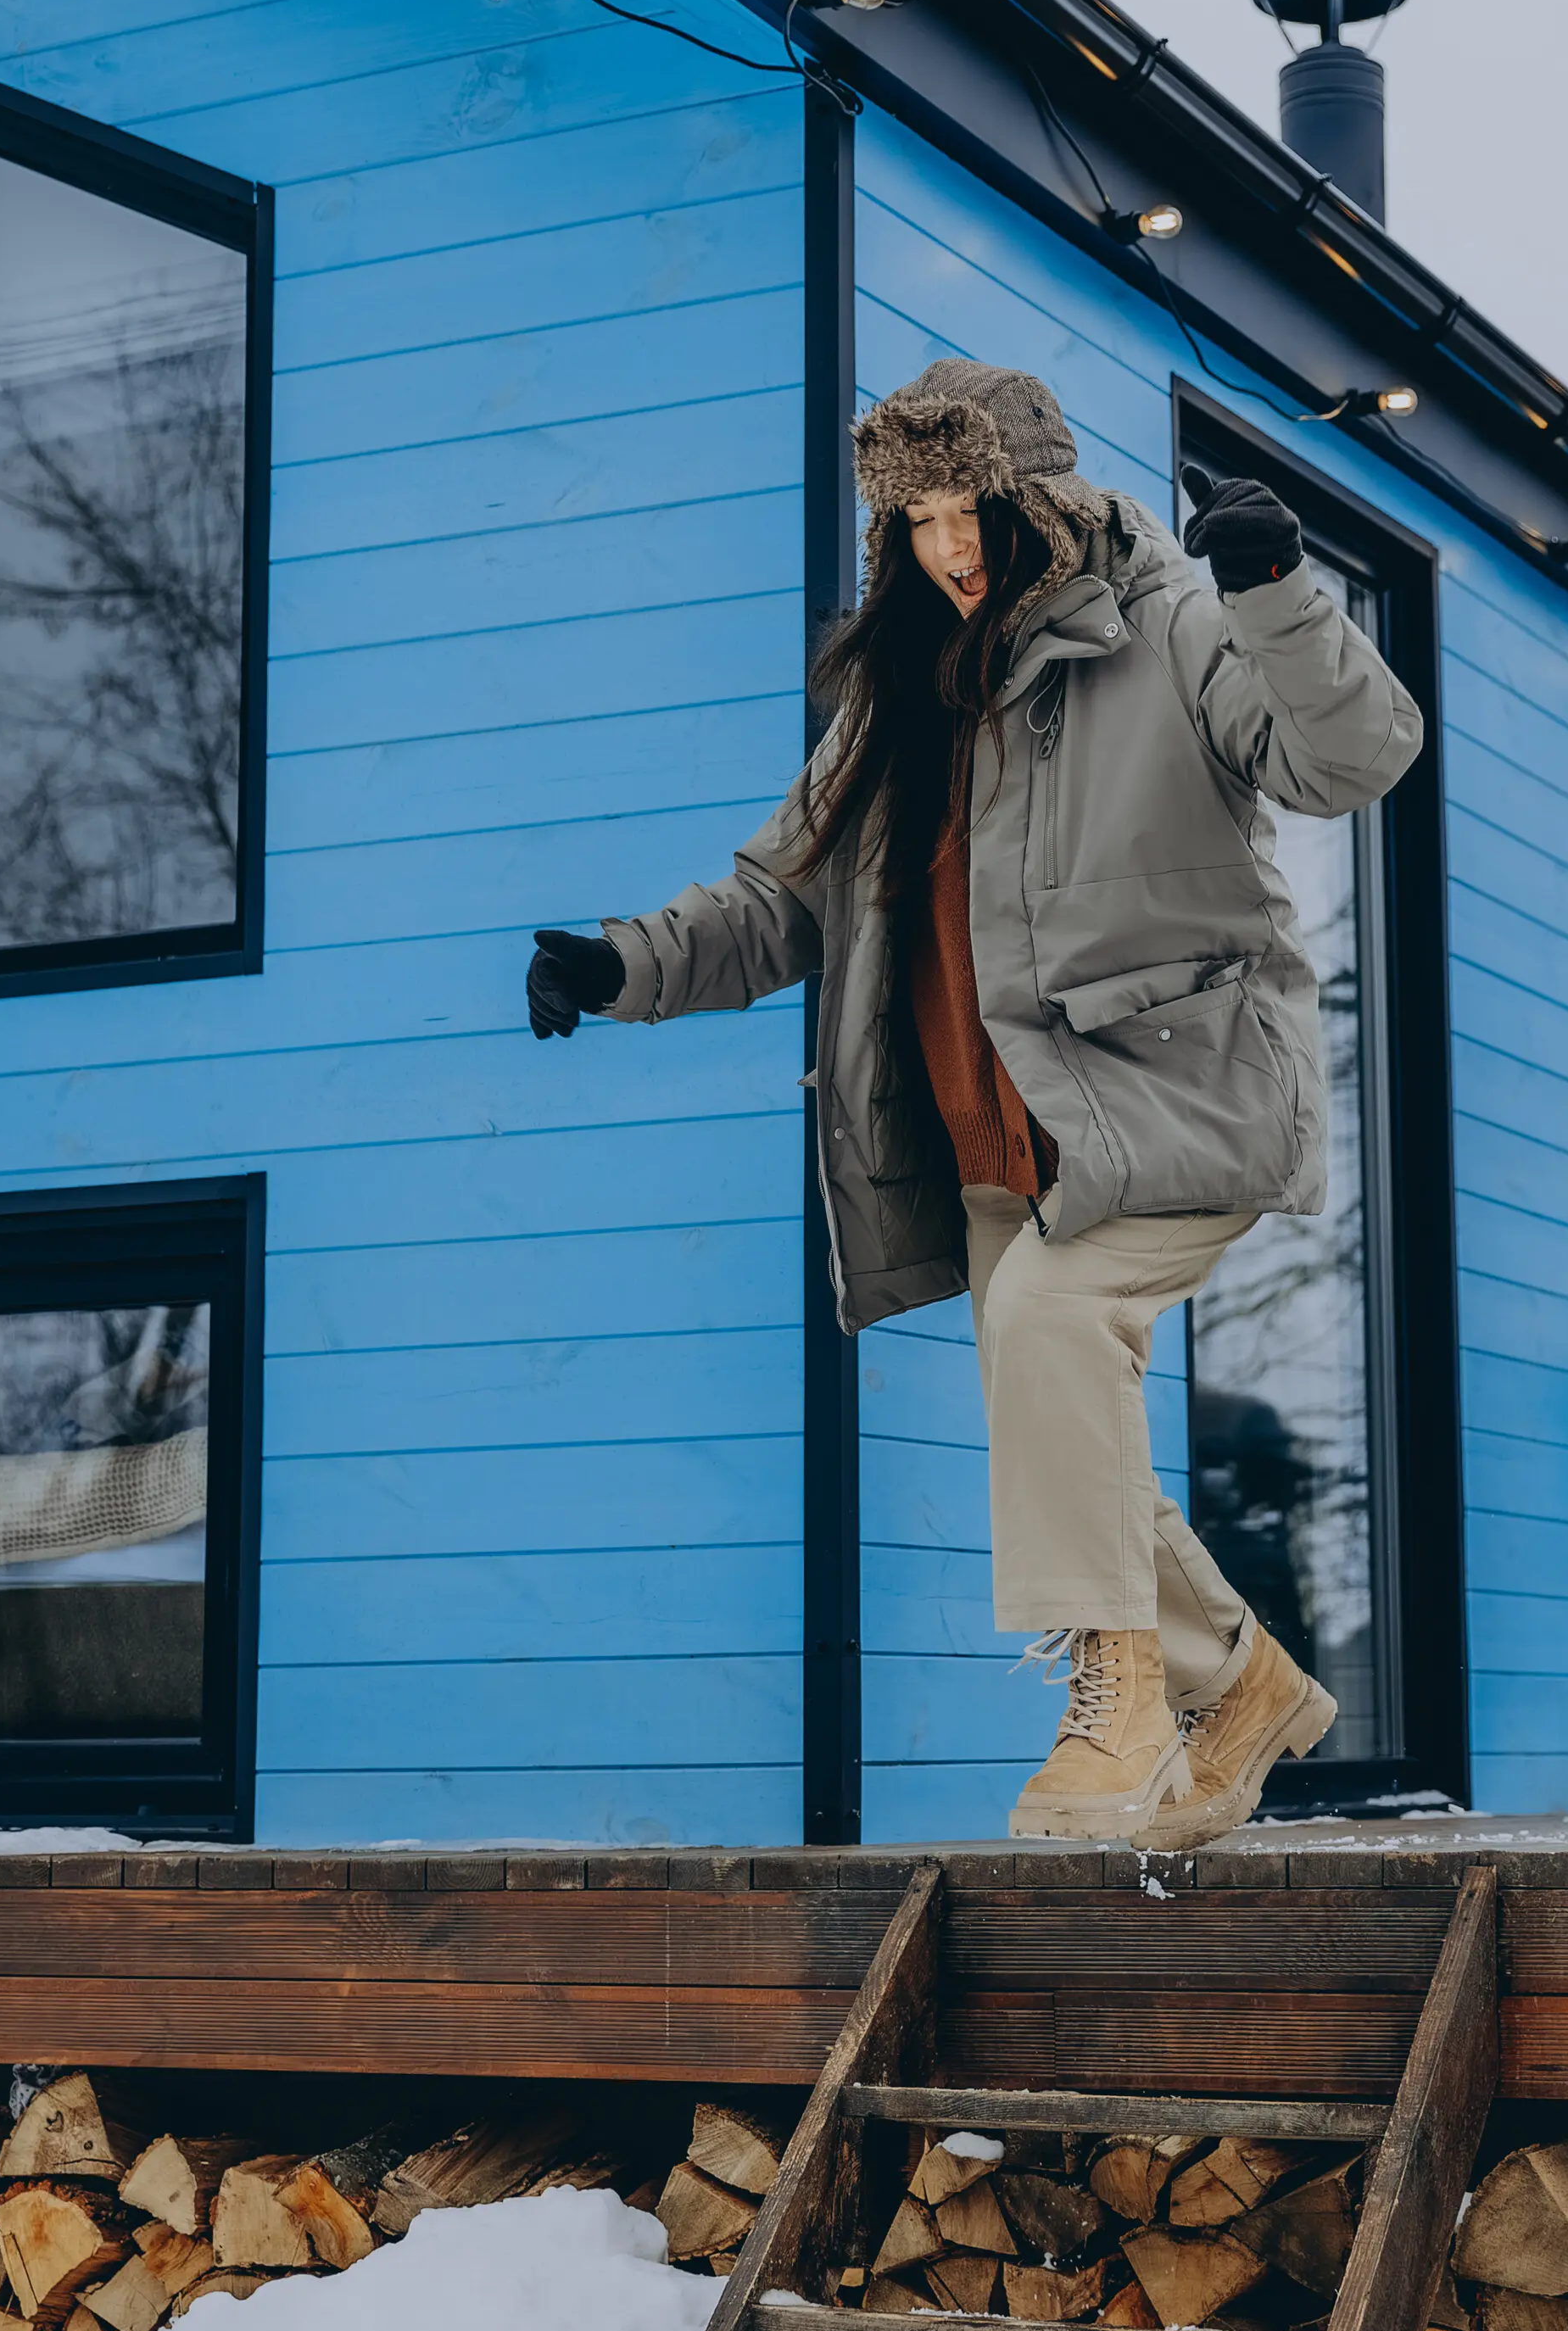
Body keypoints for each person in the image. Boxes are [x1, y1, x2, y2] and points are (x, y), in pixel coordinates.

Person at [525, 359, 1425, 1846]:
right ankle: (1244, 1681)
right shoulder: (902, 695)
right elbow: (777, 898)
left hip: (1184, 1095)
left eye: (973, 509)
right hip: (1008, 1138)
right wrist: (623, 965)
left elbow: (1351, 754)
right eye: (918, 516)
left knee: (1048, 1327)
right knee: (1061, 1417)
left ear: (1042, 498)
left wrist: (1273, 589)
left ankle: (1122, 1689)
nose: (948, 545)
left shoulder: (1170, 625)